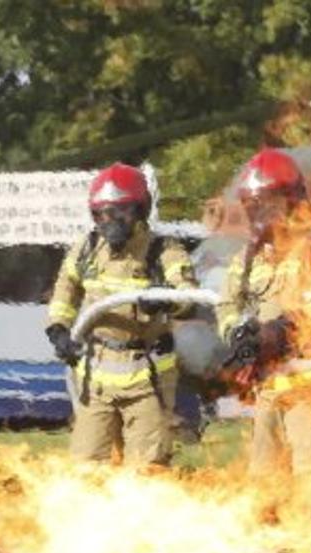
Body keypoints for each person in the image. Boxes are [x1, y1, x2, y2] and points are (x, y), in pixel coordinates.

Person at [215, 148, 311, 478]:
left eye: (266, 204)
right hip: (269, 393)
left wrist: (285, 328)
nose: (259, 215)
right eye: (252, 206)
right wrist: (238, 335)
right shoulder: (248, 259)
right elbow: (227, 305)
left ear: (292, 201)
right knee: (265, 482)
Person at [44, 163, 198, 466]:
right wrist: (58, 329)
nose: (110, 221)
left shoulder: (162, 251)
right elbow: (65, 288)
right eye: (102, 213)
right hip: (96, 377)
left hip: (147, 378)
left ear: (141, 210)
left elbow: (189, 295)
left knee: (146, 469)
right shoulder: (87, 248)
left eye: (120, 212)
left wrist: (164, 300)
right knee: (86, 466)